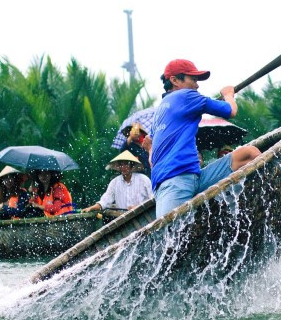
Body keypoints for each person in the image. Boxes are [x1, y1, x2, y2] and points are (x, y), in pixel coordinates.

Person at [148, 59, 260, 218]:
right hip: (173, 185)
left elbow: (152, 161)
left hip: (195, 178)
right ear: (174, 80)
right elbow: (230, 110)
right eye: (193, 79)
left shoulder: (158, 113)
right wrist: (228, 94)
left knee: (249, 154)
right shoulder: (186, 96)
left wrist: (149, 148)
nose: (197, 85)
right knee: (170, 235)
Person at [82, 151, 153, 212]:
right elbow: (105, 201)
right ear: (118, 167)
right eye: (121, 165)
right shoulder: (115, 182)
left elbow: (153, 199)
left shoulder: (143, 180)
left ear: (131, 165)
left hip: (143, 215)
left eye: (126, 164)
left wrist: (138, 208)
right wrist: (92, 208)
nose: (123, 167)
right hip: (123, 219)